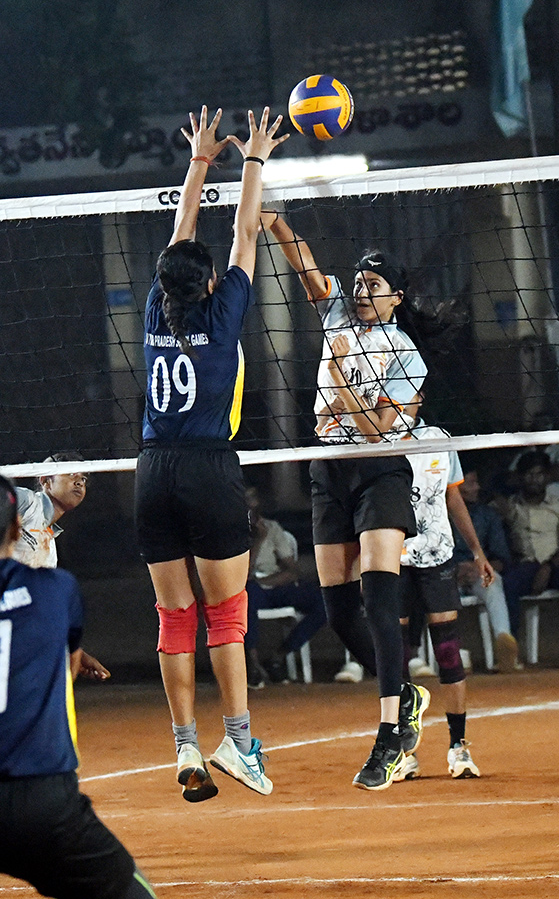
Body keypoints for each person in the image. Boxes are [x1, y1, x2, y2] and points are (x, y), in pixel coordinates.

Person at [134, 105, 288, 801]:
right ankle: (239, 739)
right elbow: (244, 233)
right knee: (225, 617)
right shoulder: (224, 314)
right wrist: (254, 159)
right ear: (209, 286)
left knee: (174, 619)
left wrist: (200, 161)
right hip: (206, 470)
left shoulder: (150, 309)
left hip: (151, 471)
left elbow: (182, 237)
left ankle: (186, 746)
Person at [262, 212, 429, 791]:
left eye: (373, 285)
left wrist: (341, 388)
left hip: (380, 472)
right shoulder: (335, 313)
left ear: (395, 298)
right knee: (336, 609)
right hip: (327, 469)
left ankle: (387, 738)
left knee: (379, 598)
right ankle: (407, 694)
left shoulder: (406, 353)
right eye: (357, 282)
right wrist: (272, 218)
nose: (361, 291)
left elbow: (383, 431)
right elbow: (306, 267)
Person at [0, 474, 157, 899]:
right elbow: (57, 651)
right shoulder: (56, 589)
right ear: (15, 529)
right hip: (40, 801)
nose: (82, 480)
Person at [397, 413, 494, 781]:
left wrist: (476, 550)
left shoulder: (438, 437)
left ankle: (459, 746)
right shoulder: (374, 438)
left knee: (449, 652)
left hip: (438, 554)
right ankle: (404, 751)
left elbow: (453, 496)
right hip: (395, 557)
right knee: (399, 656)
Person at [14, 451, 110, 682]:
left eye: (84, 478)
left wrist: (76, 652)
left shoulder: (49, 548)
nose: (79, 481)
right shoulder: (27, 502)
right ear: (45, 480)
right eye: (70, 473)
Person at [502, 450, 559, 667]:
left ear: (547, 477)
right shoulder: (510, 507)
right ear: (520, 477)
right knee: (506, 585)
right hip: (525, 567)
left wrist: (548, 567)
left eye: (540, 474)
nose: (535, 479)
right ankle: (511, 652)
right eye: (529, 475)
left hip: (557, 564)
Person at [244, 485, 326, 687]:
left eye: (253, 499)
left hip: (272, 584)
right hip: (249, 589)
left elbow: (292, 570)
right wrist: (257, 541)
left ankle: (279, 656)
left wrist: (267, 581)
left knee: (323, 602)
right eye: (245, 500)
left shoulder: (272, 528)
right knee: (245, 596)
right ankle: (252, 664)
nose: (250, 505)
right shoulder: (234, 532)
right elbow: (243, 575)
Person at [453, 466, 520, 673]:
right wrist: (455, 569)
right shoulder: (438, 514)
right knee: (436, 590)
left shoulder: (487, 515)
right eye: (471, 483)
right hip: (445, 574)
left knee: (493, 582)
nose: (477, 488)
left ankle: (504, 642)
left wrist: (479, 567)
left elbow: (502, 557)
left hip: (477, 572)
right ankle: (456, 654)